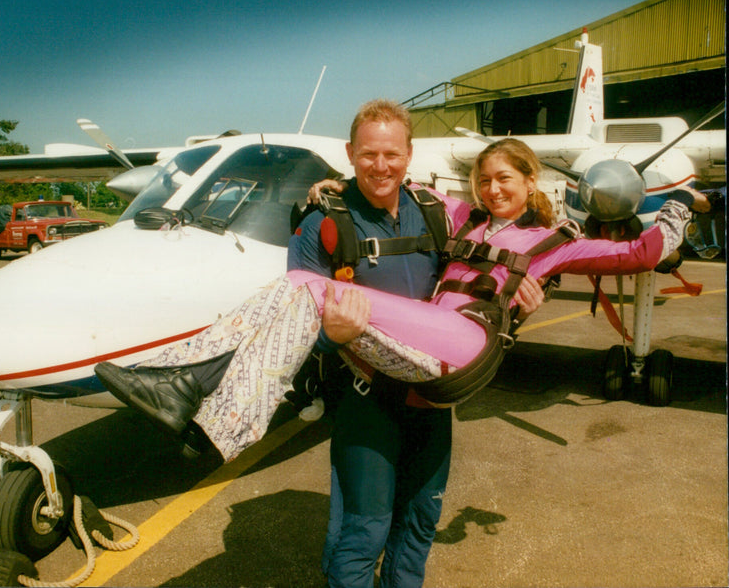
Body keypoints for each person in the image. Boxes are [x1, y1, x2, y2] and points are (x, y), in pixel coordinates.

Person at [95, 106, 708, 588]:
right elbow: (391, 185)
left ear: (531, 181)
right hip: (415, 354)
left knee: (305, 287)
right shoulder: (457, 216)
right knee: (306, 294)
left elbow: (642, 252)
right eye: (486, 179)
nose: (495, 190)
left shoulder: (554, 240)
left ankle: (193, 391)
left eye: (507, 180)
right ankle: (194, 391)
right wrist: (333, 187)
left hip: (465, 344)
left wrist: (681, 201)